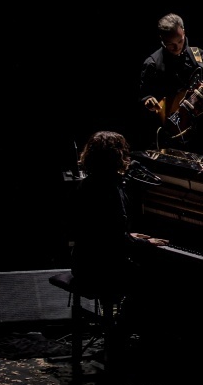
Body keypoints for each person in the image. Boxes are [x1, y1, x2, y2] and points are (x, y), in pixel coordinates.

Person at [70, 130, 168, 371]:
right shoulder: (111, 189)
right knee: (156, 281)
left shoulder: (88, 184)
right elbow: (114, 241)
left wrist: (128, 236)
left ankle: (129, 336)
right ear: (118, 157)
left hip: (84, 261)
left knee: (146, 275)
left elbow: (103, 232)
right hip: (101, 267)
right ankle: (123, 337)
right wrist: (145, 242)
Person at [138, 13, 203, 162]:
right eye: (171, 44)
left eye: (180, 41)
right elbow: (144, 95)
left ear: (184, 31)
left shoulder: (199, 55)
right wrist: (148, 100)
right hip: (177, 130)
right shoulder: (152, 64)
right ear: (162, 40)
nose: (177, 47)